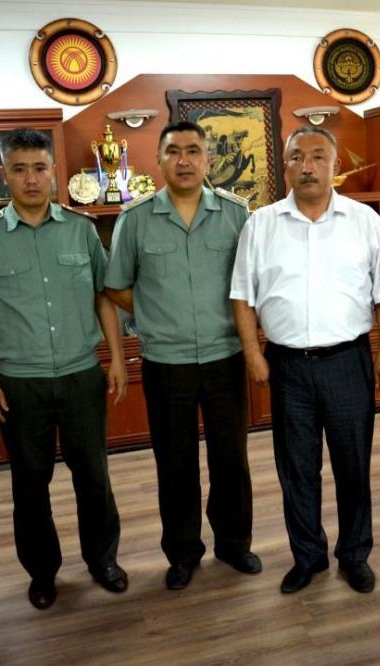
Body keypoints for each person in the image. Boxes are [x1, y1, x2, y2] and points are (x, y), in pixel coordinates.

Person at [0, 128, 129, 610]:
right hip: (19, 383)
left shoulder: (80, 229)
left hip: (80, 375)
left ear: (53, 171)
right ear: (4, 173)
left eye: (39, 168)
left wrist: (116, 357)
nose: (31, 179)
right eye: (20, 169)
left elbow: (103, 296)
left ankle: (102, 559)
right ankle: (43, 572)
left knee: (93, 477)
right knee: (30, 485)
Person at [230, 126, 380, 595]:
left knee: (352, 465)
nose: (307, 166)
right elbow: (241, 297)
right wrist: (253, 353)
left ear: (335, 165)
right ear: (285, 167)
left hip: (348, 361)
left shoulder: (365, 222)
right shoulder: (260, 224)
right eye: (297, 158)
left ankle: (354, 554)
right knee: (297, 469)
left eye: (319, 156)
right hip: (287, 366)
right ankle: (308, 557)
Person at [104, 120, 259, 590]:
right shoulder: (135, 219)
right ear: (159, 160)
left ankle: (234, 544)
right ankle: (183, 553)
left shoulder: (236, 214)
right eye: (174, 151)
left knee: (231, 458)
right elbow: (117, 286)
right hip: (166, 362)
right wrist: (156, 314)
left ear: (208, 159)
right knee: (174, 463)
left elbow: (254, 282)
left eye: (194, 150)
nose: (184, 160)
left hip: (224, 354)